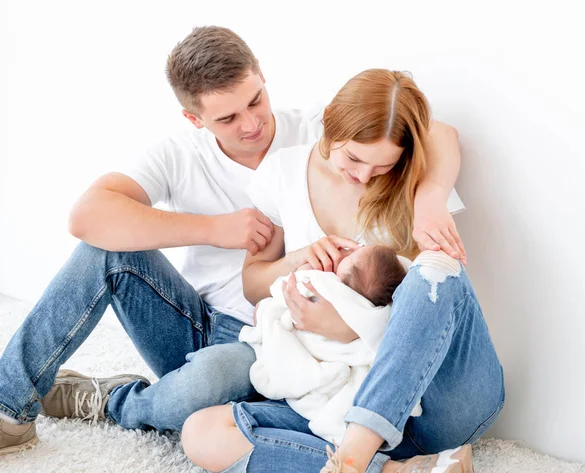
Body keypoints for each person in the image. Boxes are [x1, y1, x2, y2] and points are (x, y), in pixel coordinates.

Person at [0, 26, 467, 455]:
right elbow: (87, 216)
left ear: (262, 78)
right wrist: (214, 229)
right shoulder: (179, 155)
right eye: (227, 117)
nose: (251, 124)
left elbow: (435, 132)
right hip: (191, 321)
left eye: (255, 101)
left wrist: (431, 197)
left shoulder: (320, 136)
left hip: (265, 341)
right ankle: (9, 406)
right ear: (194, 118)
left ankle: (113, 400)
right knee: (104, 248)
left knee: (201, 386)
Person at [180, 69, 504, 473]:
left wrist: (353, 326)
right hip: (341, 401)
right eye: (353, 157)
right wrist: (298, 259)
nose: (364, 175)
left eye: (382, 166)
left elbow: (443, 134)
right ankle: (396, 470)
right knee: (202, 432)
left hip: (438, 406)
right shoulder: (282, 173)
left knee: (435, 267)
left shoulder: (417, 180)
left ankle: (352, 460)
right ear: (329, 121)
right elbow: (253, 286)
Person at [242, 245, 410, 445]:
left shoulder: (328, 283)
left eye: (353, 255)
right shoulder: (371, 297)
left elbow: (285, 289)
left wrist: (301, 273)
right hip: (325, 357)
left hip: (309, 347)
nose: (348, 252)